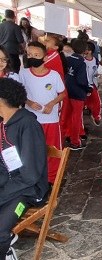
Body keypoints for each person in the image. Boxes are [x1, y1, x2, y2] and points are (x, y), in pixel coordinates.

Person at [0, 78, 48, 260]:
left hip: (29, 192)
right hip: (11, 184)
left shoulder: (28, 125)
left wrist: (3, 192)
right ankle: (7, 244)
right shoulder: (4, 123)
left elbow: (31, 175)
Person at [19, 41, 66, 184]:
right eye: (29, 54)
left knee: (52, 151)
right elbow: (20, 93)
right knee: (31, 150)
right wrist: (29, 102)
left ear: (45, 58)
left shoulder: (54, 75)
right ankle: (35, 178)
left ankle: (52, 180)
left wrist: (52, 104)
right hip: (31, 121)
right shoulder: (23, 73)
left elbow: (63, 94)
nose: (32, 57)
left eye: (36, 55)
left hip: (50, 120)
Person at [63, 39, 89, 150]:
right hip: (78, 93)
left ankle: (67, 135)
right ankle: (75, 141)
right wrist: (88, 89)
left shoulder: (67, 59)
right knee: (76, 117)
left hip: (67, 90)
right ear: (85, 51)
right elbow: (81, 80)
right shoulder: (81, 63)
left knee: (67, 115)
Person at [83, 42, 101, 126]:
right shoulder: (82, 60)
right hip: (83, 85)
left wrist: (97, 76)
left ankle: (96, 116)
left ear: (90, 51)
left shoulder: (96, 60)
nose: (85, 51)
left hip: (92, 84)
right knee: (83, 101)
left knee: (96, 100)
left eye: (86, 49)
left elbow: (95, 71)